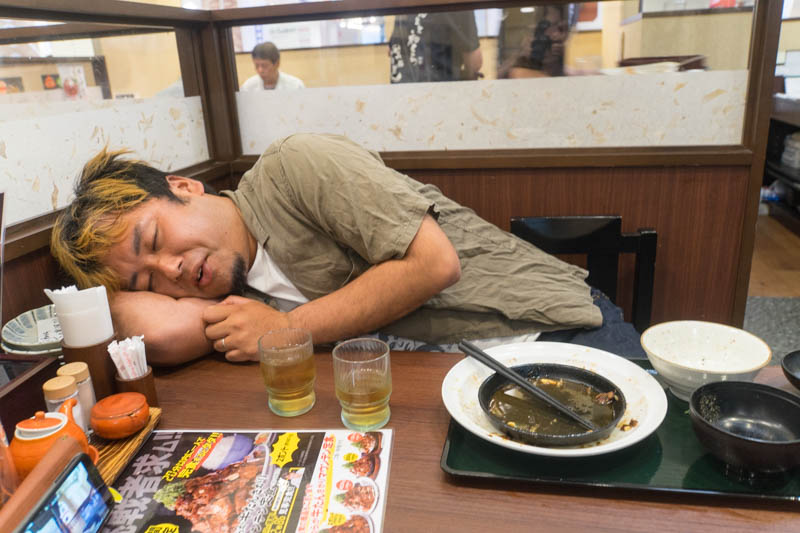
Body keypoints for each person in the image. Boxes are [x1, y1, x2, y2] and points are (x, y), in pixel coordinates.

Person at [50, 134, 610, 367]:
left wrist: (284, 330)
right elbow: (156, 332)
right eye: (149, 281)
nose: (170, 270)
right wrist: (110, 296)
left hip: (550, 331)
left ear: (185, 187)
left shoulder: (294, 167)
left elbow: (435, 265)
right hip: (455, 375)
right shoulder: (224, 290)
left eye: (152, 241)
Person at [389, 11, 483, 83]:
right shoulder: (458, 4)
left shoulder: (402, 3)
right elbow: (474, 63)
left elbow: (393, 48)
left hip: (401, 93)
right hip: (437, 93)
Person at [240, 42, 305, 91]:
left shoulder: (295, 86)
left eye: (264, 66)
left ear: (277, 64)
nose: (260, 70)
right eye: (256, 65)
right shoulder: (248, 87)